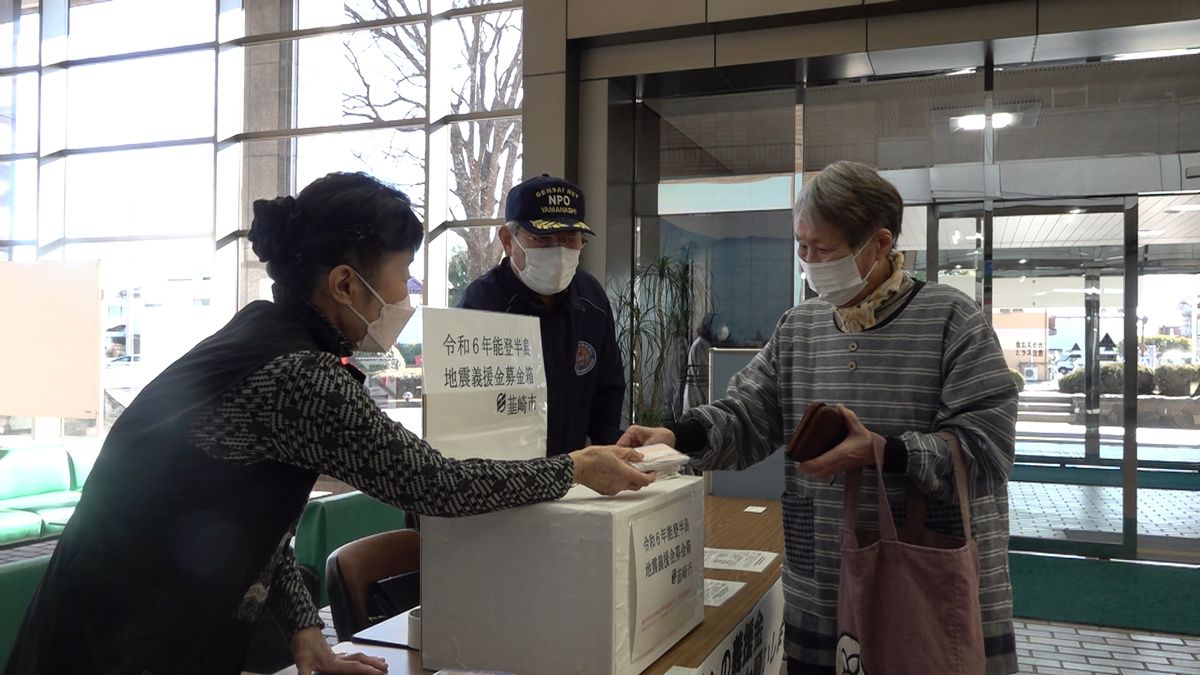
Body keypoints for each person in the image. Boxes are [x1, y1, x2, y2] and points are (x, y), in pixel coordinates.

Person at [5, 172, 654, 675]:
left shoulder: (262, 339)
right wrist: (571, 467)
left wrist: (303, 631)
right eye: (401, 273)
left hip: (103, 631)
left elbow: (253, 514)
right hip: (113, 647)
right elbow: (433, 484)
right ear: (345, 283)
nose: (407, 293)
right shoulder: (302, 375)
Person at [621, 161, 1019, 674]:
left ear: (879, 244)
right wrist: (676, 434)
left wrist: (883, 452)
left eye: (822, 249)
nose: (808, 261)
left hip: (925, 576)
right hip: (822, 584)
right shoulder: (800, 325)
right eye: (800, 247)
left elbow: (987, 451)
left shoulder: (952, 320)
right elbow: (746, 415)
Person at [459, 174, 625, 457]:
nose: (558, 251)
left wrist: (617, 452)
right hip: (503, 479)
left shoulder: (590, 299)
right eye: (542, 239)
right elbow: (466, 411)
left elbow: (607, 397)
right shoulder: (483, 303)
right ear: (508, 240)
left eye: (569, 239)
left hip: (577, 477)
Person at [682, 313, 730, 413]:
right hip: (696, 404)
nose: (723, 328)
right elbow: (705, 377)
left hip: (700, 405)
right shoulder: (701, 346)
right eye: (720, 325)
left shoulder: (707, 345)